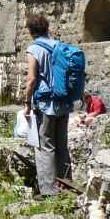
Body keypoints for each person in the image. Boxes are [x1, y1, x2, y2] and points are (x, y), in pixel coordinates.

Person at [23, 14, 73, 195]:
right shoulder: (58, 46)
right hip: (64, 103)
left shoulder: (34, 49)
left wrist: (27, 103)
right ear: (47, 28)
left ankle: (49, 192)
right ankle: (66, 186)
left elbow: (31, 79)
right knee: (62, 145)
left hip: (45, 105)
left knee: (45, 146)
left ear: (31, 31)